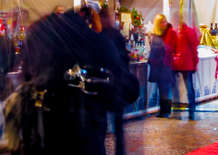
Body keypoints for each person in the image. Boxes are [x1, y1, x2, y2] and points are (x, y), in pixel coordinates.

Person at [15, 9, 136, 155]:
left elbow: (25, 77)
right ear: (89, 20)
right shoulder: (97, 42)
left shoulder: (38, 39)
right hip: (85, 136)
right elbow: (129, 89)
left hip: (42, 135)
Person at [100, 6, 129, 155]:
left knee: (105, 120)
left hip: (109, 83)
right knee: (118, 122)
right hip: (117, 83)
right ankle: (120, 151)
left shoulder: (102, 35)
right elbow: (125, 59)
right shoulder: (115, 35)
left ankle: (107, 149)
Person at [148, 14, 180, 117]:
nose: (164, 24)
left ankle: (165, 110)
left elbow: (170, 49)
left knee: (164, 88)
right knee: (162, 88)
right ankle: (164, 110)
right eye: (162, 22)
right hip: (160, 66)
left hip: (164, 66)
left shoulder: (168, 34)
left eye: (165, 21)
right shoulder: (159, 35)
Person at [171, 15, 199, 121]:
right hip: (188, 64)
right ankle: (191, 107)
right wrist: (195, 62)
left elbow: (174, 48)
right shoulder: (190, 32)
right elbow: (194, 48)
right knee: (189, 87)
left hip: (179, 64)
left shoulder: (177, 32)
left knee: (176, 87)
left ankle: (176, 107)